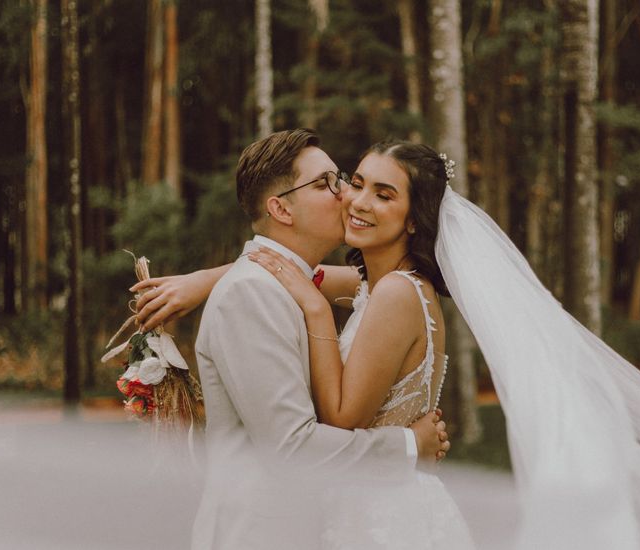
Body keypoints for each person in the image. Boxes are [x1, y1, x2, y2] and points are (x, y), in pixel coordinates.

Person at [136, 138, 640, 549]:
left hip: (373, 516)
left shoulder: (395, 295)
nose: (353, 198)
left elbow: (331, 384)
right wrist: (206, 279)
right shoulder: (371, 286)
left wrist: (317, 317)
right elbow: (296, 271)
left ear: (414, 221)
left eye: (381, 193)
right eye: (345, 184)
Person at [178, 129, 450, 550]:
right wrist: (408, 446)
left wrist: (204, 280)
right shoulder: (252, 293)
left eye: (342, 180)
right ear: (281, 209)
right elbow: (292, 446)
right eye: (331, 183)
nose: (347, 197)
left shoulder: (351, 288)